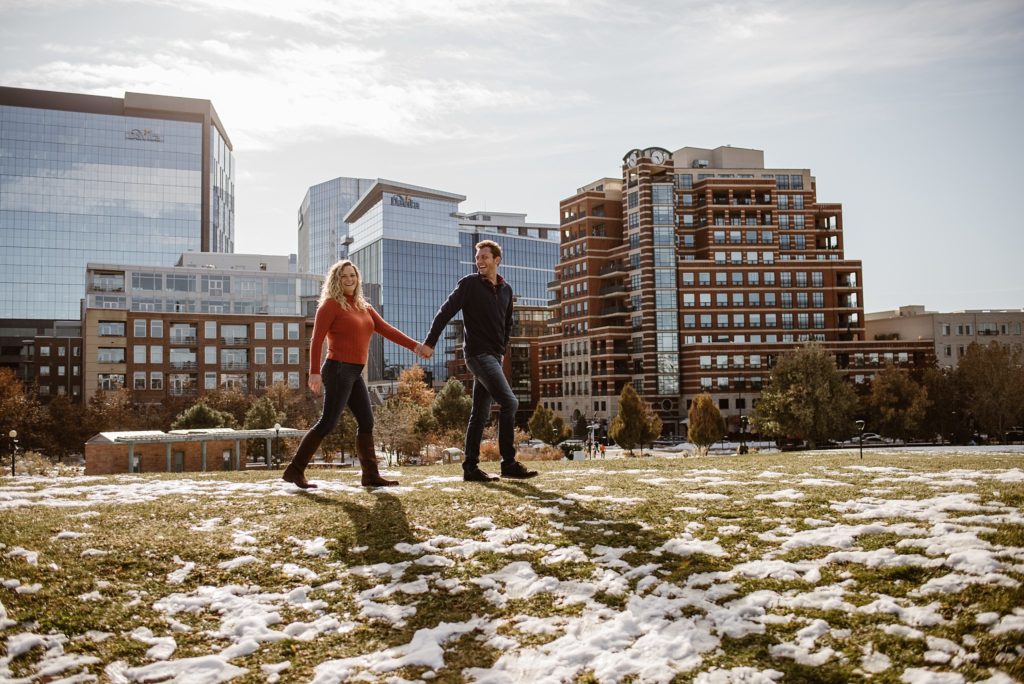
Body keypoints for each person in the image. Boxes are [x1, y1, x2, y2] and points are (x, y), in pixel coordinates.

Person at [283, 259, 424, 489]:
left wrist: (415, 346)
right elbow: (316, 340)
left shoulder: (364, 306)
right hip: (338, 368)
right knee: (328, 422)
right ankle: (295, 470)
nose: (349, 279)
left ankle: (370, 475)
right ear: (336, 280)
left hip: (355, 371)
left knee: (366, 421)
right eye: (344, 276)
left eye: (352, 275)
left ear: (358, 279)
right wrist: (314, 372)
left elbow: (387, 330)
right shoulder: (330, 305)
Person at [420, 240, 538, 482]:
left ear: (497, 260)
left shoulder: (506, 290)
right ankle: (508, 463)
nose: (479, 261)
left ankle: (470, 468)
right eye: (477, 257)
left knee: (480, 413)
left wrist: (502, 349)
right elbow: (445, 312)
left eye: (484, 257)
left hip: (494, 356)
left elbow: (507, 324)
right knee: (510, 402)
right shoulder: (470, 284)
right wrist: (430, 342)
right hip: (477, 354)